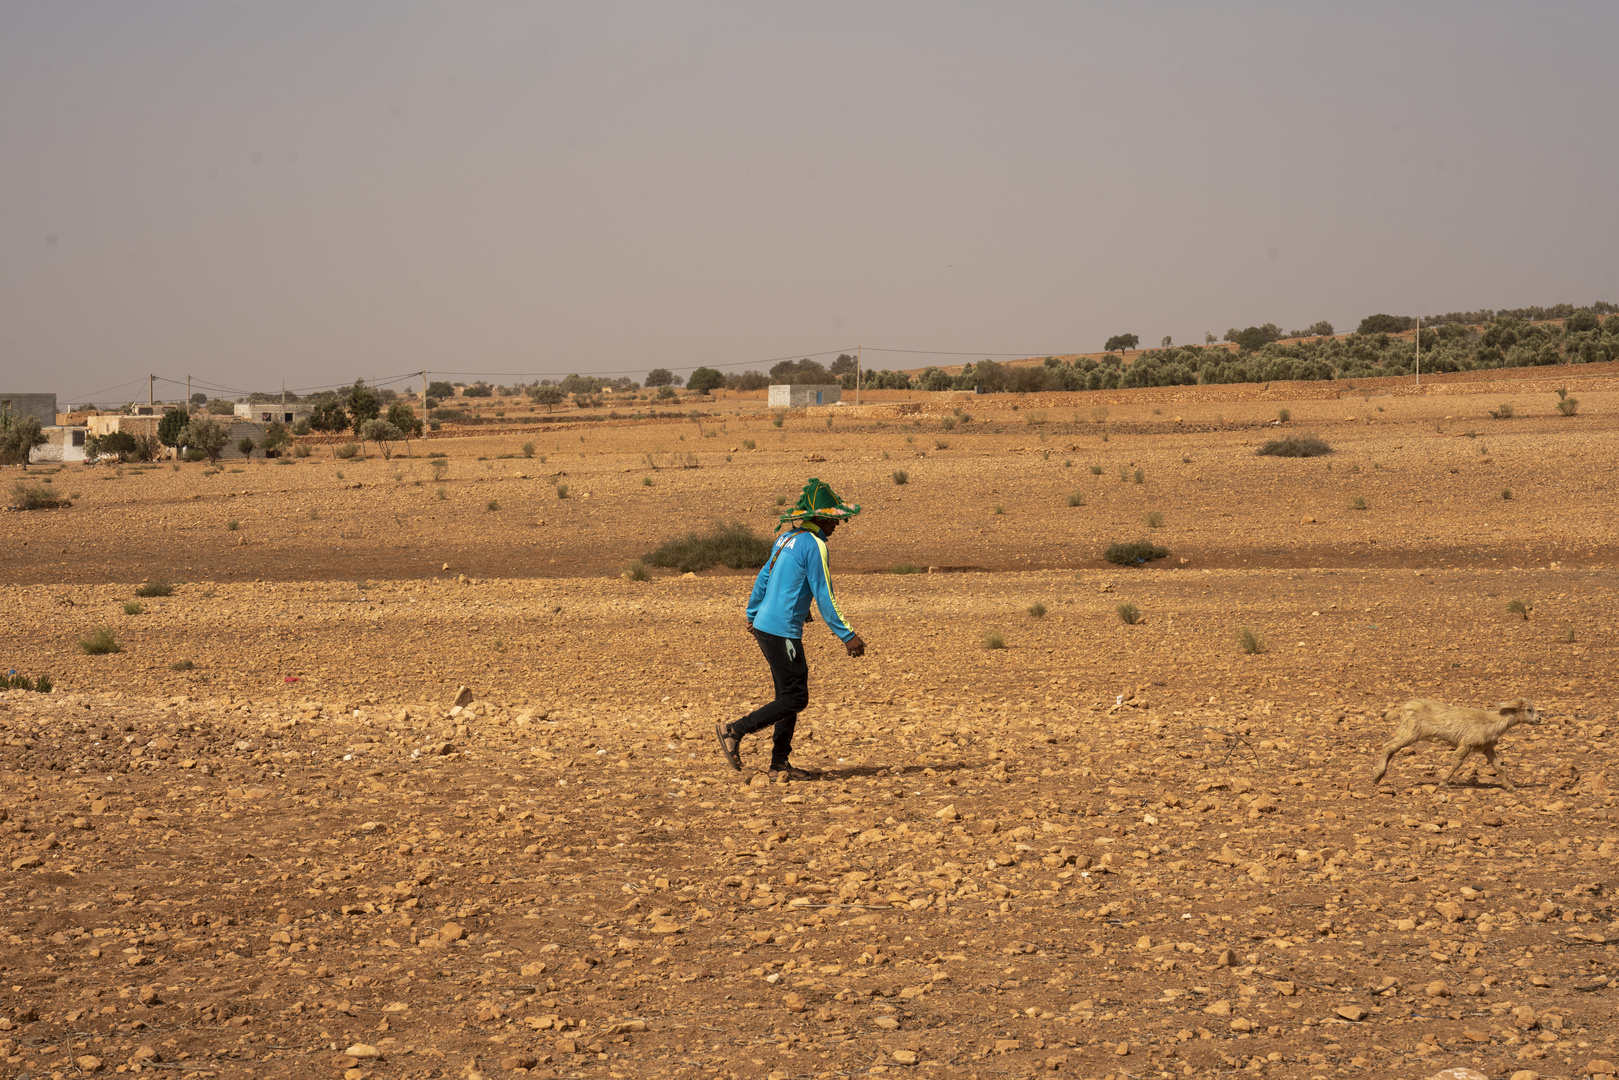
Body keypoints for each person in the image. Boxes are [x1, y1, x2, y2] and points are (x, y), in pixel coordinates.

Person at [716, 478, 866, 780]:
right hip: (782, 631)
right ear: (820, 518)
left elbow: (764, 577)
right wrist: (847, 634)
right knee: (797, 697)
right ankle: (735, 730)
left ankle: (778, 764)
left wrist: (752, 613)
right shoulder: (815, 545)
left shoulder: (785, 538)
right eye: (833, 519)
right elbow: (824, 594)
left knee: (787, 695)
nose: (837, 525)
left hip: (766, 626)